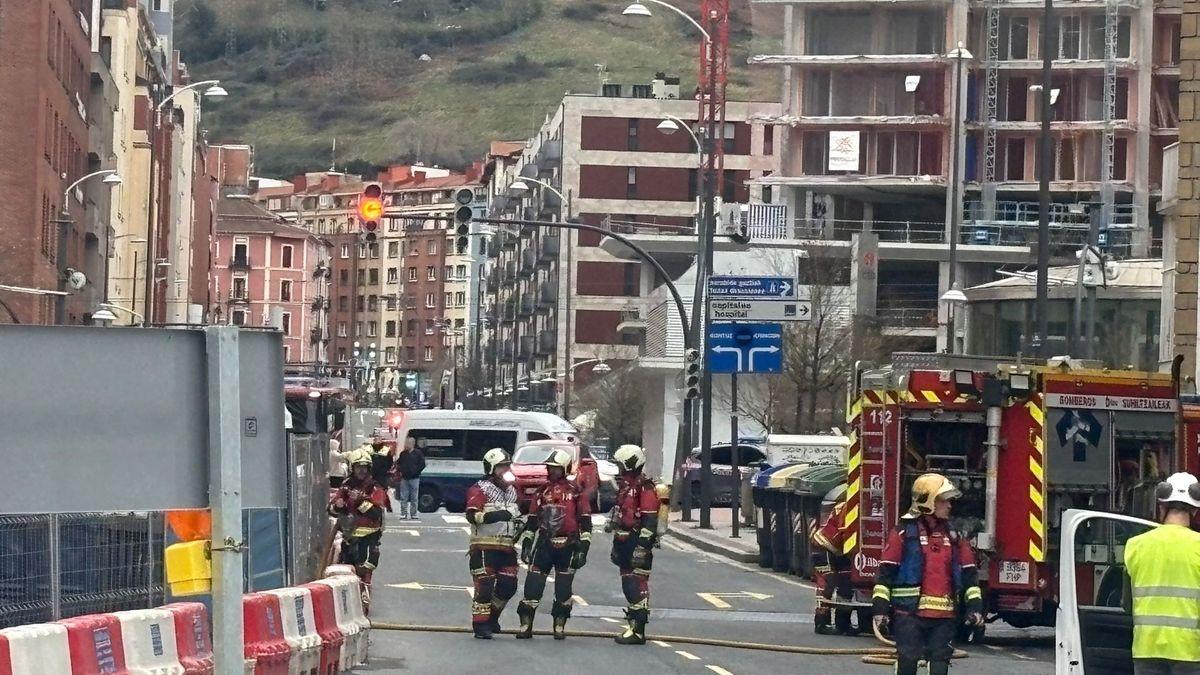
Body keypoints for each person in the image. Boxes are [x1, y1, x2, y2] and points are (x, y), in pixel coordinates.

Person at [872, 473, 983, 675]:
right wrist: (880, 611)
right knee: (907, 663)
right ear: (927, 502)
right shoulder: (903, 535)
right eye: (943, 500)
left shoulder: (955, 537)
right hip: (909, 616)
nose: (949, 505)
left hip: (945, 618)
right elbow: (885, 576)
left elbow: (969, 576)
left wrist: (975, 609)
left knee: (939, 665)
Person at [1124, 472, 1200, 674]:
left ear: (1162, 507)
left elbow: (1126, 604)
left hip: (1146, 649)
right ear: (1194, 511)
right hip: (1190, 652)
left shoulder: (1135, 545)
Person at [514, 447, 593, 640]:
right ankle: (526, 625)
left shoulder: (576, 493)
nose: (552, 471)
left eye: (556, 468)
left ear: (565, 468)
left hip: (568, 544)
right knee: (533, 586)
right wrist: (526, 545)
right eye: (550, 468)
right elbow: (532, 522)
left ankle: (559, 626)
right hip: (544, 544)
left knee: (563, 589)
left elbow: (586, 524)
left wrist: (583, 550)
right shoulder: (542, 492)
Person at [608, 444, 667, 645]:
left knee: (636, 584)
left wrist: (642, 547)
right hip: (624, 541)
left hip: (636, 542)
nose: (619, 469)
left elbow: (649, 521)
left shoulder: (645, 488)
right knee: (627, 584)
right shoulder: (626, 487)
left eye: (621, 465)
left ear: (630, 464)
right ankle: (633, 626)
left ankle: (638, 630)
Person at [464, 448, 523, 639]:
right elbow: (471, 515)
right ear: (491, 468)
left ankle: (492, 618)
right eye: (501, 467)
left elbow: (520, 513)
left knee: (509, 586)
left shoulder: (513, 491)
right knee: (485, 588)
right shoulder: (480, 489)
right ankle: (480, 626)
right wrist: (494, 516)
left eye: (507, 466)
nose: (505, 470)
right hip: (483, 548)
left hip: (507, 548)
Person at [328, 453, 389, 588]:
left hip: (369, 539)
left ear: (369, 469)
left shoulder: (375, 488)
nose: (361, 471)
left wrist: (360, 501)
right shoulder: (346, 485)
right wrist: (338, 506)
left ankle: (364, 595)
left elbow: (376, 513)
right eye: (358, 467)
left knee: (365, 571)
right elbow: (331, 509)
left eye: (364, 468)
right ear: (352, 468)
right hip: (349, 537)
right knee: (346, 571)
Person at [811, 493, 855, 635]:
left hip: (838, 550)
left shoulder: (851, 505)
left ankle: (843, 623)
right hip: (824, 547)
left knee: (846, 583)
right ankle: (821, 622)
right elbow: (843, 533)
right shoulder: (850, 507)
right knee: (827, 582)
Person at [394, 436, 426, 521]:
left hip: (415, 478)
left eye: (408, 443)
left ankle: (413, 513)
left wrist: (416, 471)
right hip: (404, 478)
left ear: (413, 444)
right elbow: (398, 464)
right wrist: (401, 470)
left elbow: (422, 464)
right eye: (406, 442)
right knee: (404, 497)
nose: (406, 444)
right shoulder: (403, 454)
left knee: (414, 497)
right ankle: (403, 513)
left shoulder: (418, 453)